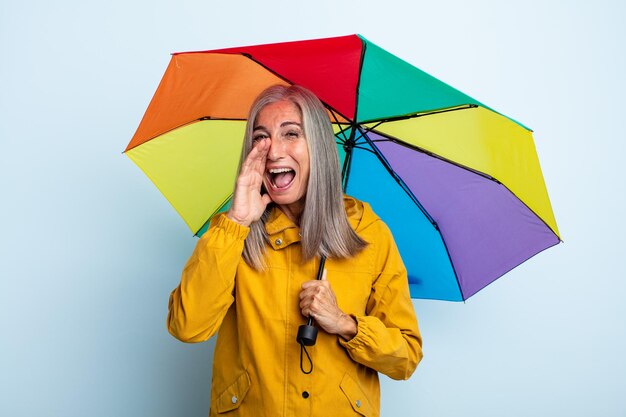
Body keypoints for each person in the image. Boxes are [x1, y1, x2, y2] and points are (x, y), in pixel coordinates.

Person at [167, 85, 422, 417]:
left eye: (290, 134)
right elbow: (187, 326)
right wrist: (237, 222)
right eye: (261, 137)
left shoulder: (369, 233)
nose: (273, 151)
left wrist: (345, 324)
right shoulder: (233, 234)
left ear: (317, 146)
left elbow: (406, 357)